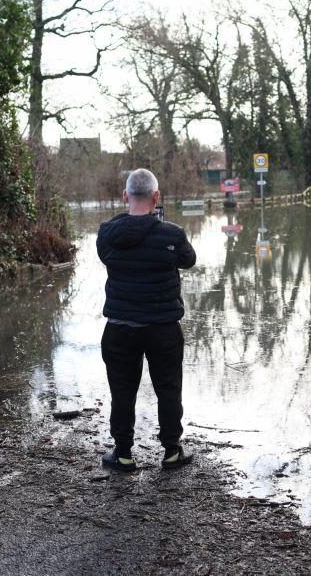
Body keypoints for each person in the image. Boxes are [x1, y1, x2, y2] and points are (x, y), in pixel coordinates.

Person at [96, 168, 197, 471]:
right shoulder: (172, 234)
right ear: (156, 197)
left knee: (122, 391)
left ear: (125, 196)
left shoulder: (107, 233)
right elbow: (188, 260)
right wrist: (159, 227)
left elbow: (107, 256)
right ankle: (171, 452)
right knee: (168, 388)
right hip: (163, 328)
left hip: (120, 328)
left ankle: (123, 454)